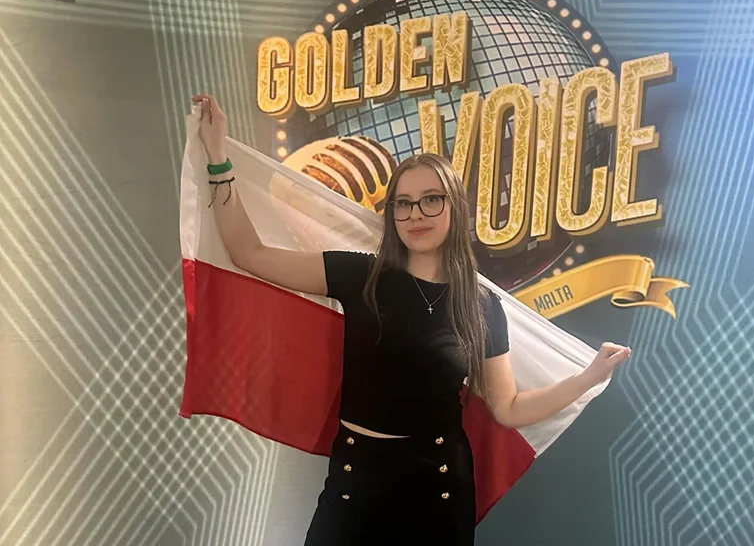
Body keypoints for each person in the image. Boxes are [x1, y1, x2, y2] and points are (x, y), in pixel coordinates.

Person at [191, 93, 632, 546]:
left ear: (455, 207)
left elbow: (508, 408)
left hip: (437, 494)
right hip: (353, 485)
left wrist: (588, 377)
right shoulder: (360, 274)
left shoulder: (480, 304)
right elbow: (249, 253)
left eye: (430, 200)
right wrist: (217, 155)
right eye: (403, 203)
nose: (415, 214)